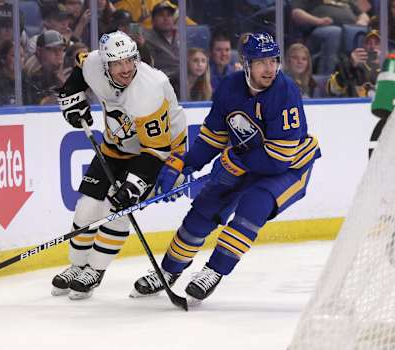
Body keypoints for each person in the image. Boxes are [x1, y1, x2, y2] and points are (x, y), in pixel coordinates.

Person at [131, 32, 321, 303]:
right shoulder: (230, 88)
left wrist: (234, 161)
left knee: (253, 206)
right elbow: (213, 137)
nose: (270, 68)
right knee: (203, 210)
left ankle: (213, 270)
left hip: (291, 168)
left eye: (274, 61)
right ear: (246, 64)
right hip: (246, 161)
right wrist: (184, 163)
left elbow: (280, 157)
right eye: (261, 62)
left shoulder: (285, 90)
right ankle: (168, 271)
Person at [52, 30, 187, 300]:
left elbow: (155, 150)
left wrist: (133, 186)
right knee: (87, 205)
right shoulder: (93, 64)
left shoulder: (149, 90)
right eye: (117, 63)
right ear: (105, 65)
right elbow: (80, 69)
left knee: (117, 207)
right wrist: (71, 96)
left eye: (130, 60)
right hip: (116, 147)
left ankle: (95, 270)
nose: (126, 69)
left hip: (161, 152)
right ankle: (77, 265)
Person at [327, 29, 381, 98]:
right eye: (368, 43)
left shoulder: (390, 66)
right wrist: (350, 65)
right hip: (355, 106)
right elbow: (332, 90)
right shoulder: (349, 64)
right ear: (363, 45)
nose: (372, 46)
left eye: (377, 43)